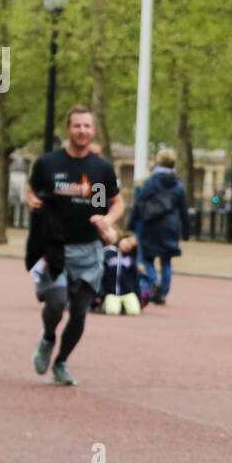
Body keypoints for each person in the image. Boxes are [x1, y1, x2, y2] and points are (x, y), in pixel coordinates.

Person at [25, 105, 123, 386]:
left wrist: (107, 220)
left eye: (87, 126)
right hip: (54, 246)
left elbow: (113, 202)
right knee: (55, 302)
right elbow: (32, 190)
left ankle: (61, 361)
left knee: (80, 311)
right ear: (68, 129)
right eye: (77, 125)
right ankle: (47, 339)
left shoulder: (100, 168)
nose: (82, 131)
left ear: (93, 130)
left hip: (88, 248)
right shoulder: (48, 164)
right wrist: (29, 199)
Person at [129, 148, 189, 306]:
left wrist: (132, 224)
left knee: (147, 258)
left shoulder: (151, 182)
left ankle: (154, 281)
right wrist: (187, 231)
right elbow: (183, 210)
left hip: (153, 225)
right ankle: (162, 293)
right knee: (166, 261)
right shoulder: (179, 185)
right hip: (171, 226)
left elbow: (140, 204)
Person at [97, 231, 143, 316]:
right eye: (128, 241)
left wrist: (138, 298)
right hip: (111, 292)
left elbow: (136, 280)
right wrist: (101, 293)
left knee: (134, 312)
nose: (128, 245)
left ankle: (123, 305)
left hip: (127, 292)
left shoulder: (130, 260)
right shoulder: (108, 254)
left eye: (132, 246)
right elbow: (100, 275)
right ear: (122, 238)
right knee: (112, 312)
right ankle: (108, 304)